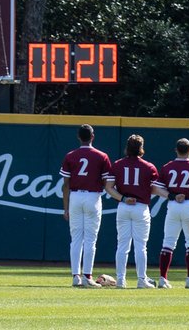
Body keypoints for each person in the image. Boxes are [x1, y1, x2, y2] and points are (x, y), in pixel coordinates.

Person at [152, 137, 189, 289]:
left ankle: (163, 279)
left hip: (173, 205)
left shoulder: (167, 167)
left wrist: (172, 195)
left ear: (176, 150)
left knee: (168, 243)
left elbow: (156, 189)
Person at [106, 133, 163, 288]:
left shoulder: (117, 164)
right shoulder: (149, 167)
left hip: (124, 206)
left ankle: (120, 280)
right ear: (141, 148)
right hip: (140, 206)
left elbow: (109, 188)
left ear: (127, 148)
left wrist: (123, 198)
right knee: (140, 246)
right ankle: (141, 279)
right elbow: (155, 189)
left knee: (122, 245)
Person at [60, 123, 113, 287]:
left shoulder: (71, 155)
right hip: (93, 197)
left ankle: (76, 276)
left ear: (78, 137)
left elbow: (65, 185)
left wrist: (66, 207)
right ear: (92, 136)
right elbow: (106, 183)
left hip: (75, 196)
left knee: (75, 239)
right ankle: (87, 277)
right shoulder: (102, 156)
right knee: (90, 240)